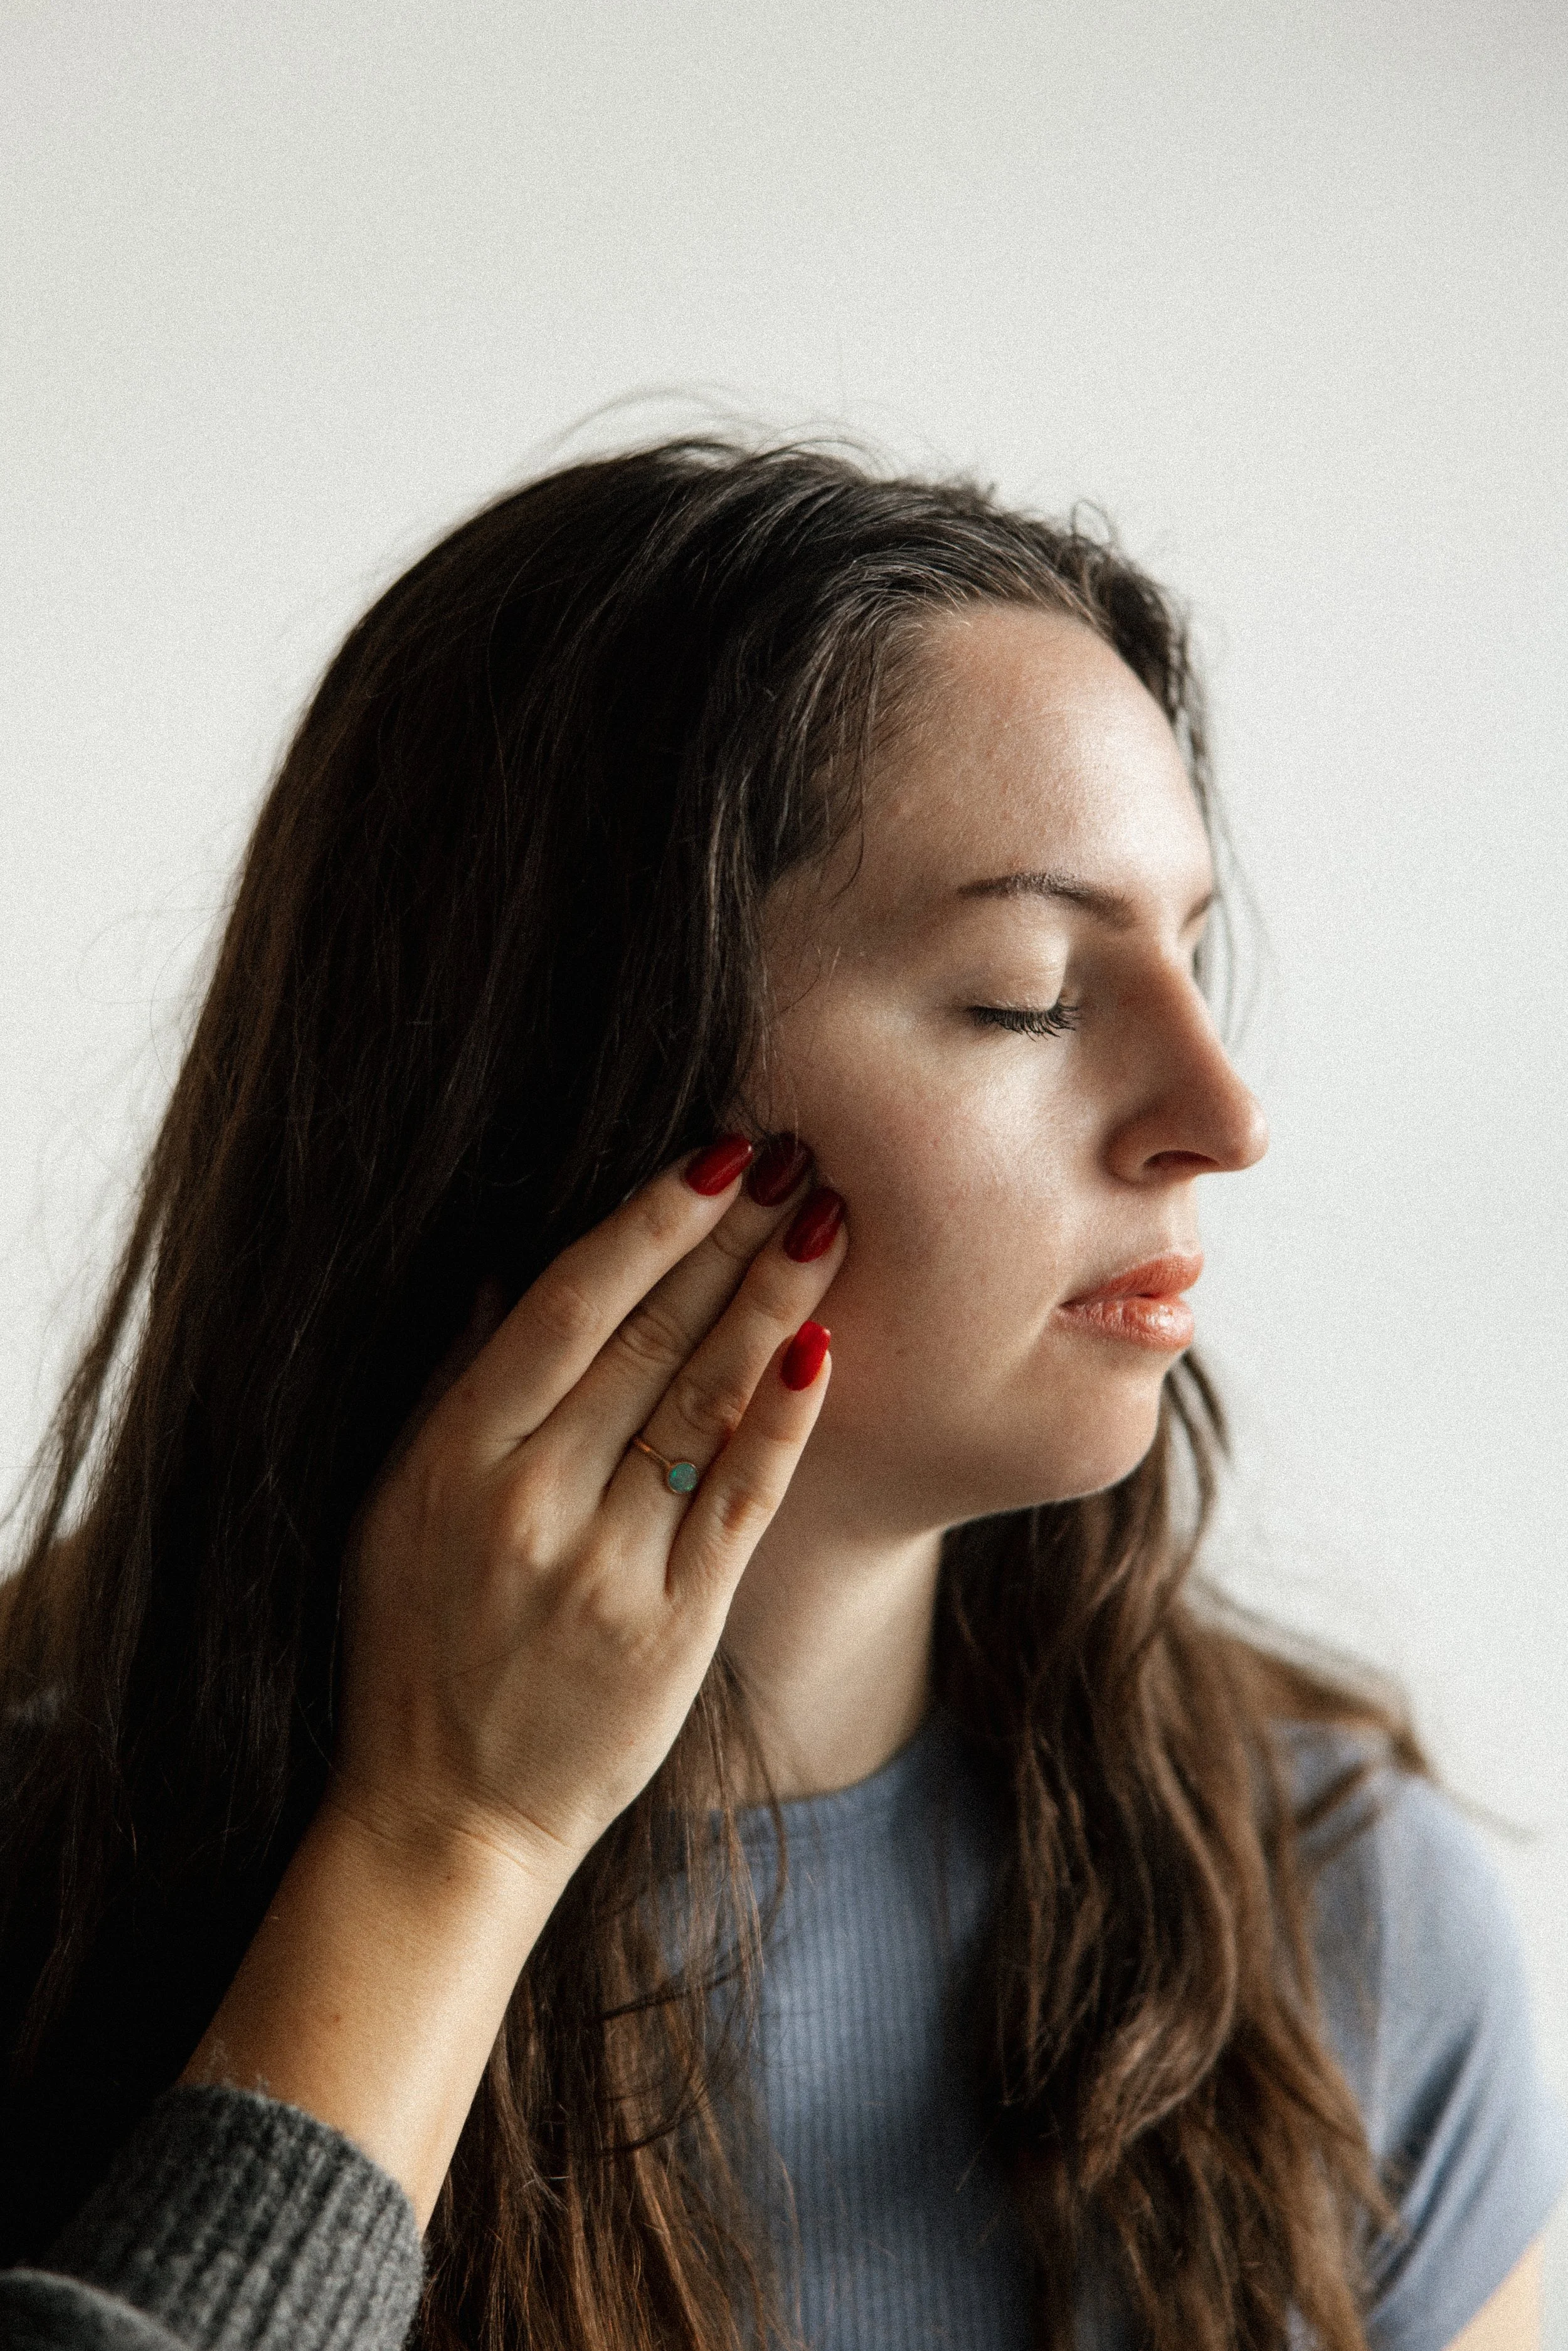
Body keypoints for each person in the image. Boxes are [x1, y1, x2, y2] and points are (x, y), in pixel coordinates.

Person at [0, 440, 1560, 2351]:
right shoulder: (37, 1882)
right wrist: (442, 1847)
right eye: (1023, 994)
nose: (1221, 1119)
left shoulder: (1335, 1915)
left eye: (1193, 950)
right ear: (570, 1083)